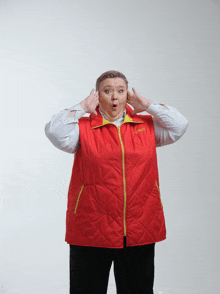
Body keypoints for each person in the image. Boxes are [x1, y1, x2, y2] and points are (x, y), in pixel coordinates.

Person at [45, 70, 189, 294]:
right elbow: (54, 131)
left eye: (120, 91)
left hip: (139, 227)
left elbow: (180, 126)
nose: (114, 97)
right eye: (108, 91)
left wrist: (149, 106)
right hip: (91, 228)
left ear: (127, 96)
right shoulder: (83, 129)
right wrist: (82, 106)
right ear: (97, 96)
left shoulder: (147, 127)